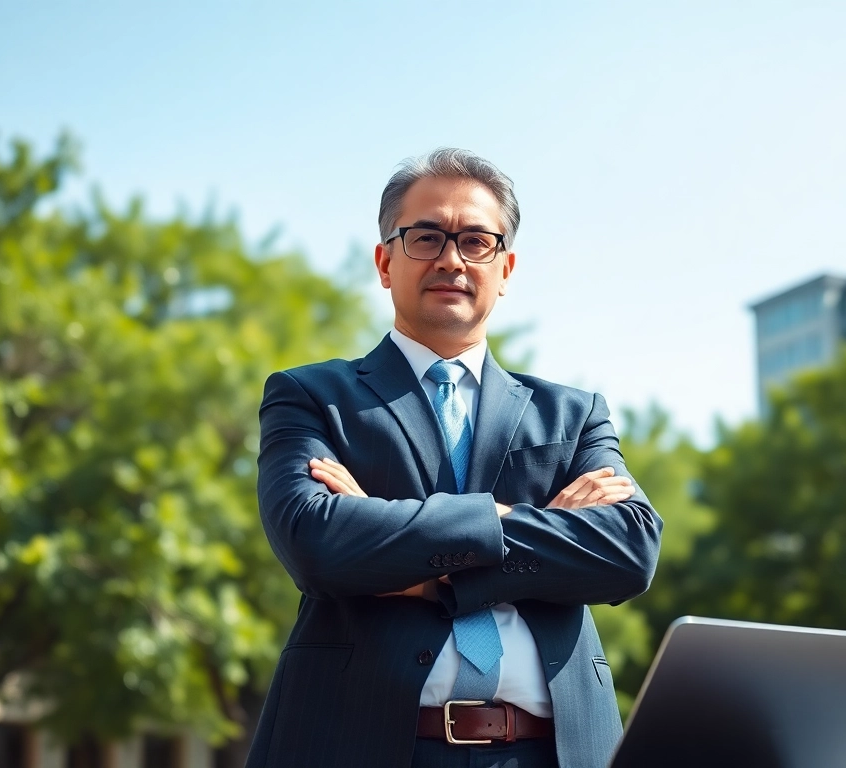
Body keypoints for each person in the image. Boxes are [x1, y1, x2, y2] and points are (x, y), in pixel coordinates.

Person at [247, 149, 662, 768]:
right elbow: (315, 541)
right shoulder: (312, 396)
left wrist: (417, 567)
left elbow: (627, 551)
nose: (451, 259)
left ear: (505, 268)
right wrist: (529, 523)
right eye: (426, 237)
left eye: (476, 241)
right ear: (385, 262)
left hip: (553, 750)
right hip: (360, 744)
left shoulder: (573, 415)